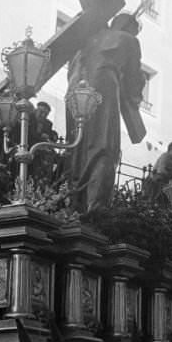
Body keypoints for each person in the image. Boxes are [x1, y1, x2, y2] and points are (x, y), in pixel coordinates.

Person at [64, 12, 146, 213]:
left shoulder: (89, 39)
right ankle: (95, 206)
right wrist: (137, 90)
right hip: (104, 86)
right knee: (104, 145)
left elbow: (71, 67)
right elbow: (134, 81)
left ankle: (73, 201)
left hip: (74, 90)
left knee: (76, 146)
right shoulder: (128, 39)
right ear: (130, 27)